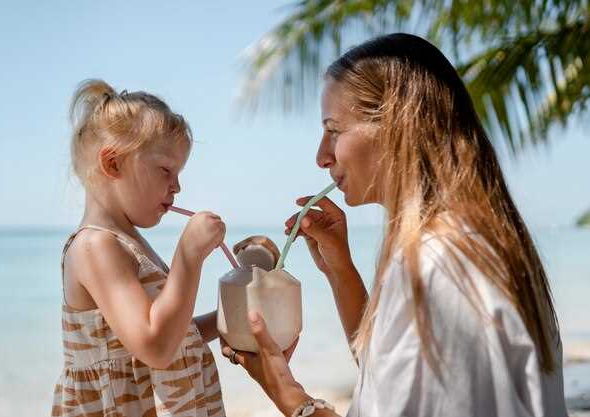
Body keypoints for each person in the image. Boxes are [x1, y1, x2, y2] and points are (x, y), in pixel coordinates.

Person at [221, 33, 568, 417]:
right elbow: (393, 381)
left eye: (333, 130)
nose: (321, 156)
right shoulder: (476, 244)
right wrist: (341, 271)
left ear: (397, 125)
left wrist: (287, 394)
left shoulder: (439, 267)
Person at [52, 80, 226, 417]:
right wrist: (188, 256)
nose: (177, 186)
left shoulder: (130, 243)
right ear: (113, 164)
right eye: (166, 170)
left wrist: (226, 320)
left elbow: (176, 335)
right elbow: (156, 347)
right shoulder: (95, 246)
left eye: (179, 172)